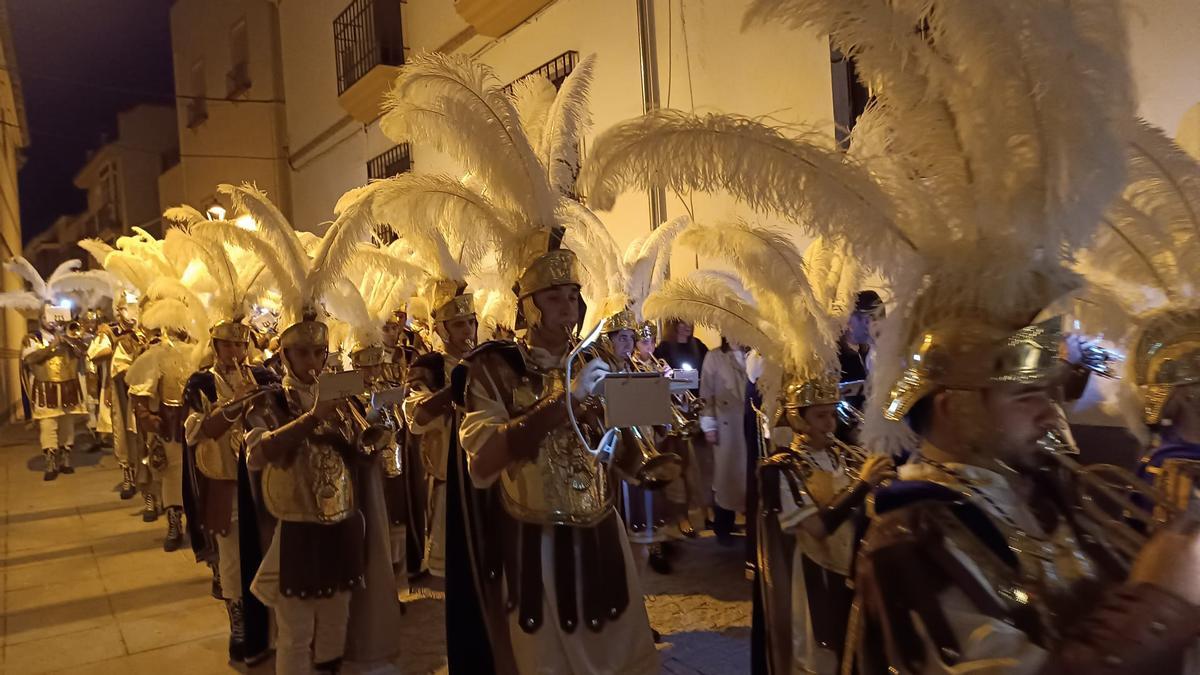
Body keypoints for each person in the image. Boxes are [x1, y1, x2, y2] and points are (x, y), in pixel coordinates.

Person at [459, 247, 659, 675]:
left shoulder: (594, 359)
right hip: (536, 534)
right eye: (553, 296)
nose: (568, 306)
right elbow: (482, 463)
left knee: (617, 646)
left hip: (601, 525)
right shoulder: (495, 366)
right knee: (545, 654)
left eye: (573, 294)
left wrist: (645, 424)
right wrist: (567, 399)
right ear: (528, 305)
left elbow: (620, 454)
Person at [758, 377, 893, 674]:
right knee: (821, 656)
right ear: (797, 418)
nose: (830, 424)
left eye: (832, 414)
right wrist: (862, 485)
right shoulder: (784, 467)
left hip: (849, 567)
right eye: (820, 416)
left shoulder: (838, 455)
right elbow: (818, 528)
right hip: (814, 573)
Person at [183, 318, 277, 664]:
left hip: (262, 477)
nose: (235, 352)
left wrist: (259, 403)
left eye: (240, 345)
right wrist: (235, 404)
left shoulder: (265, 376)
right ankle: (240, 626)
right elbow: (199, 432)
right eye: (228, 345)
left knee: (267, 550)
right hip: (223, 478)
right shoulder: (201, 384)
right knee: (233, 557)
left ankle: (271, 625)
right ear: (216, 347)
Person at [404, 284, 478, 580]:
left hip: (486, 471)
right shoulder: (428, 367)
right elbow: (417, 416)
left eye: (471, 321)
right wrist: (457, 386)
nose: (468, 330)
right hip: (449, 472)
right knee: (455, 570)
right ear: (443, 329)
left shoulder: (487, 361)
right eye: (459, 323)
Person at [22, 309, 88, 480]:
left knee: (67, 426)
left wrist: (69, 339)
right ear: (40, 319)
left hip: (68, 388)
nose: (50, 321)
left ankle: (66, 458)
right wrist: (52, 346)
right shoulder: (32, 338)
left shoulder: (70, 336)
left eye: (52, 318)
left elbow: (83, 353)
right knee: (48, 426)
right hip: (46, 390)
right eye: (46, 317)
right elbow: (29, 359)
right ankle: (51, 461)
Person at [699, 338, 751, 544]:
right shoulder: (714, 357)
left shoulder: (755, 355)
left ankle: (750, 523)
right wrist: (709, 424)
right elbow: (707, 394)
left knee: (749, 474)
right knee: (725, 475)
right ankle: (723, 527)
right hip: (727, 425)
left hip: (749, 423)